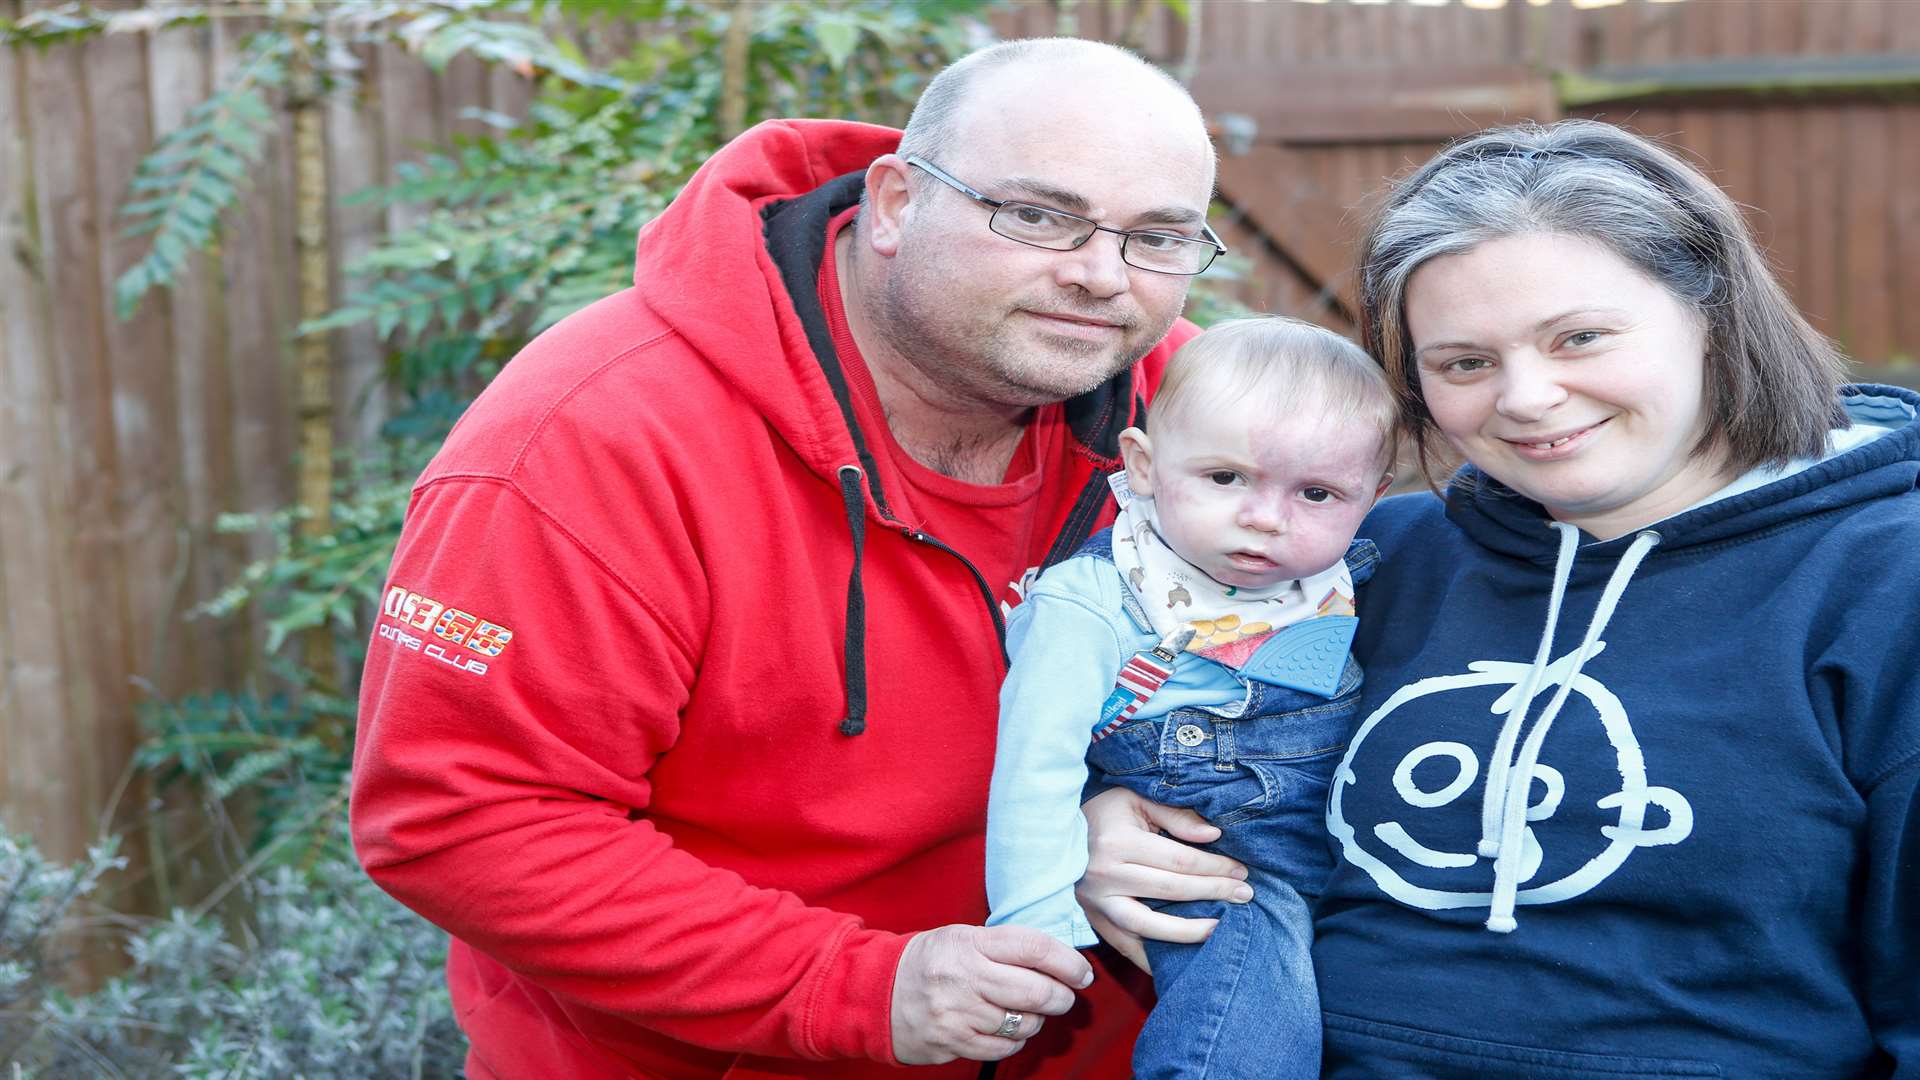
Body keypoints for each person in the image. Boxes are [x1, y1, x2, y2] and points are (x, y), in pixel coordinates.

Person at [348, 37, 1227, 1080]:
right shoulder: (599, 437)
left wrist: (1149, 802)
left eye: (1157, 237)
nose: (1098, 276)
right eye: (1037, 216)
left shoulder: (1189, 423)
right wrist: (850, 985)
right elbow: (461, 815)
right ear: (896, 203)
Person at [1078, 118, 1920, 1078]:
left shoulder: (1884, 582)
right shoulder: (1360, 565)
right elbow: (1216, 748)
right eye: (1465, 363)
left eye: (1580, 338)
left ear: (1712, 314)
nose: (1525, 396)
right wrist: (1112, 823)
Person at [984, 316, 1396, 1080]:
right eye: (1225, 477)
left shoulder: (1348, 580)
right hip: (1221, 857)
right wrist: (1034, 925)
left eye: (1316, 492)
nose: (1265, 518)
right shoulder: (1097, 603)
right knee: (1249, 1030)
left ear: (1373, 496)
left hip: (1349, 855)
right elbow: (1033, 765)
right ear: (1142, 465)